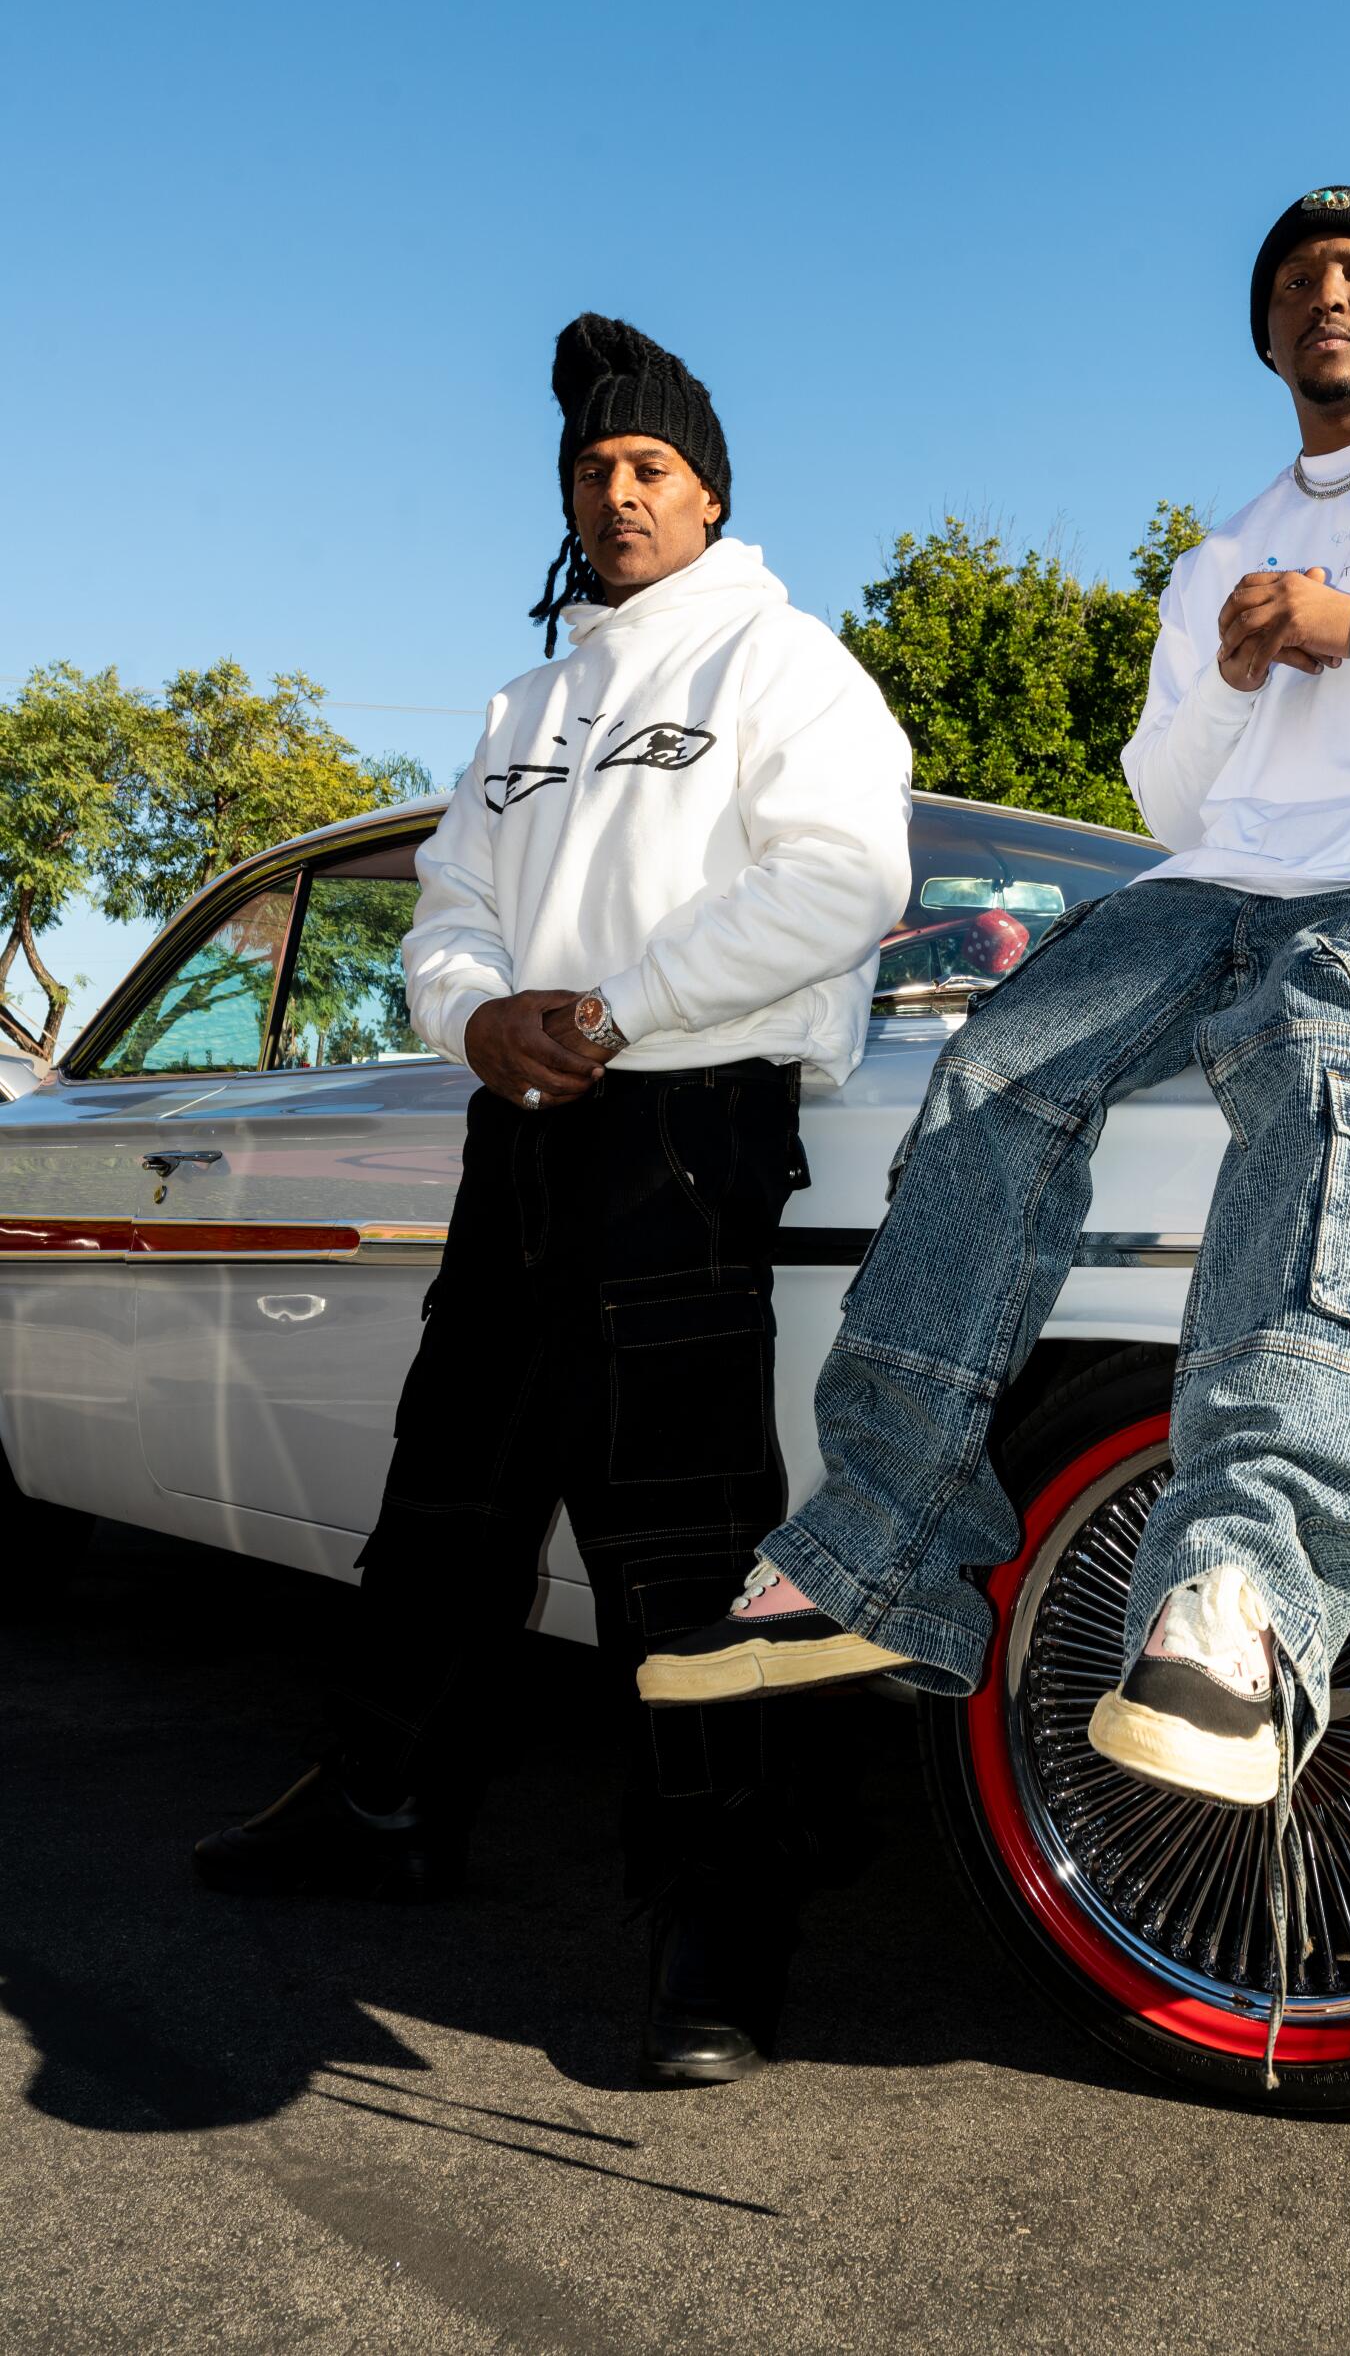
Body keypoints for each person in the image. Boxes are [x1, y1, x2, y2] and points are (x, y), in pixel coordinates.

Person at [640, 185, 1350, 1839]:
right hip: (1236, 881)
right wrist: (1248, 676)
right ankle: (873, 1552)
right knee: (996, 1057)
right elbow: (1176, 798)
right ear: (1267, 337)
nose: (1329, 294)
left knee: (1326, 1044)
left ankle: (1244, 1601)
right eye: (1297, 282)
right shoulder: (1222, 551)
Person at [195, 312, 912, 2088]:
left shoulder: (784, 662)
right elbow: (448, 906)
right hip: (520, 1124)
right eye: (590, 469)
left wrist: (613, 1009)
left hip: (689, 1117)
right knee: (446, 1497)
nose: (614, 492)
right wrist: (478, 1011)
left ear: (710, 488)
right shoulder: (520, 705)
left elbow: (844, 876)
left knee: (684, 1541)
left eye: (646, 465)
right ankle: (379, 1800)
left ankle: (722, 1917)